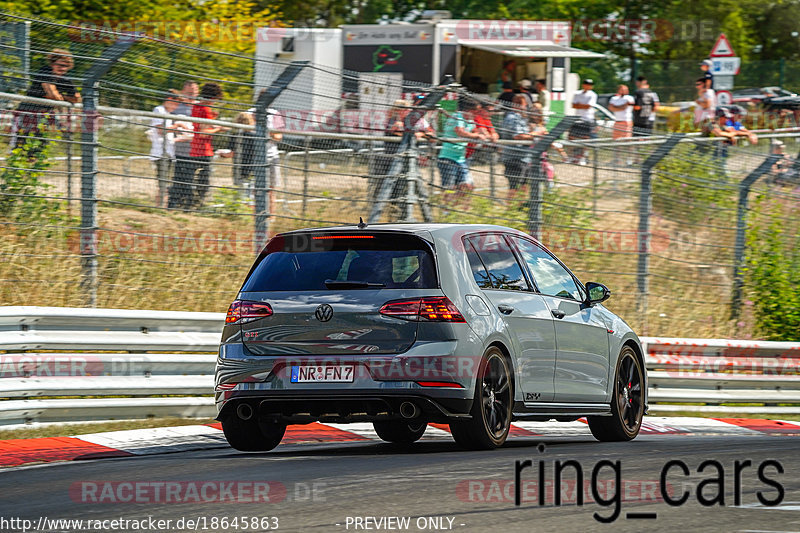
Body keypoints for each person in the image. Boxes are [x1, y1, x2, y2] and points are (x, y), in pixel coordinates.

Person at [13, 49, 81, 152]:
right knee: (20, 145)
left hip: (44, 116)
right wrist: (58, 97)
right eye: (59, 65)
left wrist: (61, 96)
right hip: (27, 112)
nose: (62, 68)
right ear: (52, 64)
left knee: (39, 147)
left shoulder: (66, 79)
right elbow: (52, 94)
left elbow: (77, 98)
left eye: (66, 66)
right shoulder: (45, 71)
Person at [437, 99, 487, 207]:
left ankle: (454, 207)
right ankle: (447, 211)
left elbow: (474, 131)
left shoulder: (470, 120)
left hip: (460, 158)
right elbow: (460, 131)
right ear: (469, 110)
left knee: (467, 187)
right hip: (448, 157)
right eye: (476, 111)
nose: (477, 114)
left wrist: (482, 132)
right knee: (450, 188)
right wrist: (477, 136)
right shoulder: (458, 116)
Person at [187, 82, 226, 208]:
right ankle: (199, 205)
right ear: (213, 97)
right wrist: (218, 129)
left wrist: (212, 119)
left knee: (193, 179)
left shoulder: (196, 106)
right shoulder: (205, 109)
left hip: (194, 148)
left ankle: (191, 203)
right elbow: (204, 133)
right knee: (203, 182)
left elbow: (199, 127)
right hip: (204, 150)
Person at [168, 80, 199, 209]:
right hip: (179, 149)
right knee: (179, 177)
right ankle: (174, 203)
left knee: (192, 178)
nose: (191, 94)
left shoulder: (199, 107)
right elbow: (168, 123)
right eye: (188, 92)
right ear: (183, 92)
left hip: (196, 150)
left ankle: (189, 203)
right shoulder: (176, 107)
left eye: (194, 91)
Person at [146, 94, 180, 207]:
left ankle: (161, 206)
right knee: (163, 183)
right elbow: (161, 130)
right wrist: (178, 125)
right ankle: (160, 206)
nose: (176, 107)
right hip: (160, 153)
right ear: (169, 100)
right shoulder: (159, 110)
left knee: (165, 182)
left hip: (168, 152)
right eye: (175, 104)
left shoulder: (168, 114)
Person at [500, 94, 534, 199]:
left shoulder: (520, 118)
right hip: (514, 158)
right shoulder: (512, 118)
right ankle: (509, 208)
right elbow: (517, 136)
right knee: (514, 187)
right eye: (524, 105)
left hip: (524, 158)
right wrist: (536, 135)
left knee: (524, 186)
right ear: (517, 105)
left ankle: (520, 207)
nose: (525, 107)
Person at [569, 79, 598, 165]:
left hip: (587, 119)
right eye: (586, 84)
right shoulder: (577, 93)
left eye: (590, 84)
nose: (587, 86)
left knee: (585, 138)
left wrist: (579, 105)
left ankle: (583, 157)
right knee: (571, 137)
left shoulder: (593, 95)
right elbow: (573, 105)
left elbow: (588, 106)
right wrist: (581, 105)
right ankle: (572, 156)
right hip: (577, 119)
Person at [608, 85, 634, 165]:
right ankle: (617, 159)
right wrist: (621, 106)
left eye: (625, 90)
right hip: (617, 121)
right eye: (622, 90)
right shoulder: (614, 98)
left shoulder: (629, 98)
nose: (624, 91)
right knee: (616, 141)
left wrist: (617, 107)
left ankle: (629, 159)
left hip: (626, 121)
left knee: (627, 141)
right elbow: (611, 108)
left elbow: (626, 107)